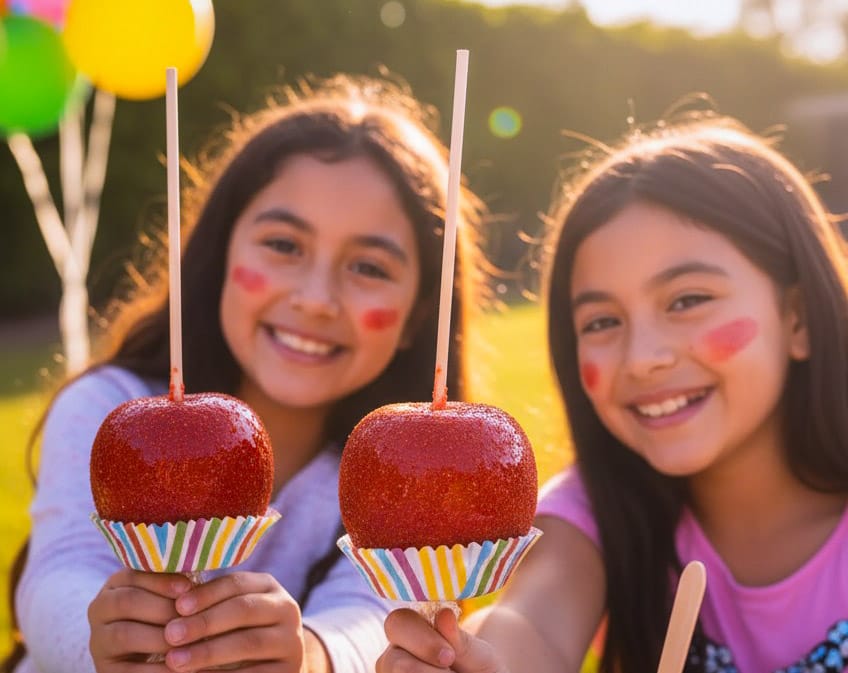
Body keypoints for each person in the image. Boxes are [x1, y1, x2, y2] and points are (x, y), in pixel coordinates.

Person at [3, 72, 489, 673]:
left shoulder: (403, 473)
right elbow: (59, 573)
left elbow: (377, 615)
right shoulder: (111, 408)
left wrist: (308, 658)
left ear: (420, 315)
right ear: (221, 255)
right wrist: (105, 641)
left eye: (368, 266)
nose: (316, 298)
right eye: (284, 246)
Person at [376, 112, 848, 673]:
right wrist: (480, 659)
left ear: (797, 317)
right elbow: (532, 622)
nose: (643, 358)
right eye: (602, 322)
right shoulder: (590, 515)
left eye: (687, 300)